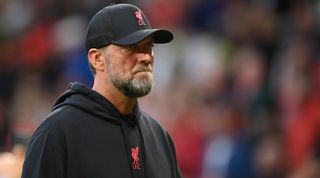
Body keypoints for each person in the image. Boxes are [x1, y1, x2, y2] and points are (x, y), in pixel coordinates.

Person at [21, 3, 182, 178]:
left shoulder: (159, 136)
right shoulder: (57, 132)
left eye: (149, 47)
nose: (145, 57)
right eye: (132, 47)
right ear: (97, 59)